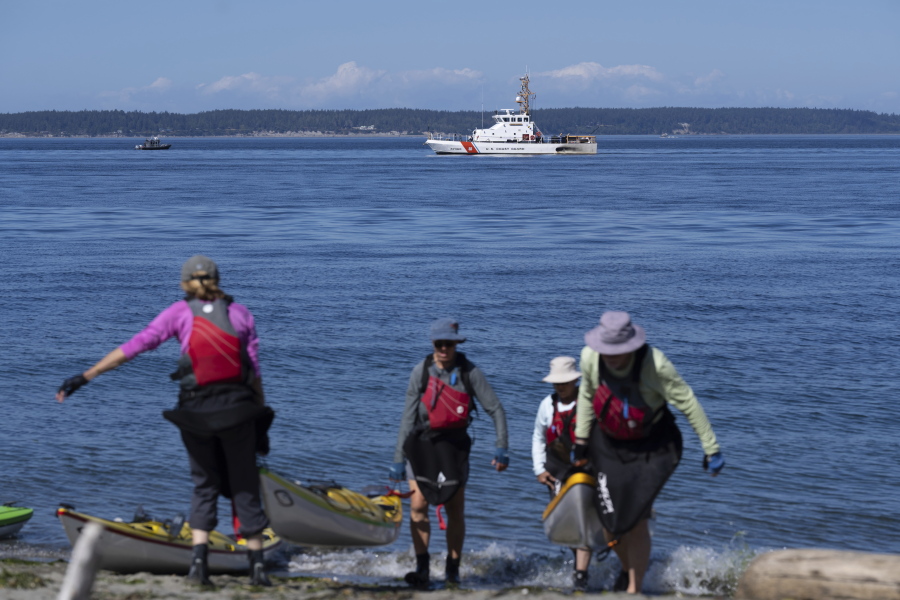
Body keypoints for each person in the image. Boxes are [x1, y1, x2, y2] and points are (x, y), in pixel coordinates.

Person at [56, 255, 274, 588]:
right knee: (244, 485)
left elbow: (136, 346)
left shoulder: (179, 313)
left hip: (195, 414)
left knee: (205, 484)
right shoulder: (241, 314)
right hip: (238, 413)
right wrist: (259, 416)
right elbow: (254, 373)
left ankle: (198, 567)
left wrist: (86, 376)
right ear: (218, 279)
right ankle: (258, 569)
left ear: (185, 283)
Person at [572, 311, 724, 594]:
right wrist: (580, 439)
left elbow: (688, 402)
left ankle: (634, 589)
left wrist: (710, 447)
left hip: (653, 447)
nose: (611, 356)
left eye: (618, 351)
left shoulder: (656, 365)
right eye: (607, 351)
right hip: (608, 444)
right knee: (610, 522)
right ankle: (629, 567)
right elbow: (586, 395)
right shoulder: (590, 358)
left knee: (637, 519)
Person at [389, 318, 509, 588]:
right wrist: (398, 458)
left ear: (457, 343)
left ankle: (452, 571)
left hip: (454, 446)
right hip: (420, 445)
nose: (444, 348)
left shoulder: (469, 372)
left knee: (455, 507)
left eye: (449, 343)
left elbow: (496, 409)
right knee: (418, 506)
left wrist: (501, 446)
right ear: (433, 344)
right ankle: (422, 569)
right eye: (439, 343)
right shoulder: (421, 371)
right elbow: (407, 418)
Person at [531, 356, 592, 590]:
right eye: (556, 383)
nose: (560, 386)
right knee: (566, 526)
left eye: (565, 382)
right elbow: (538, 437)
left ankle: (580, 576)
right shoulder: (547, 405)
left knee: (584, 523)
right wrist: (539, 469)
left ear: (575, 381)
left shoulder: (587, 403)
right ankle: (580, 568)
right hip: (556, 473)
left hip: (585, 473)